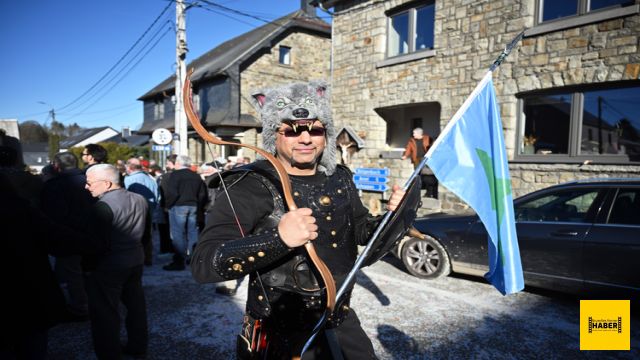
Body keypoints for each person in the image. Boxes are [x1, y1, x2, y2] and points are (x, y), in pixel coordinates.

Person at [191, 81, 406, 359]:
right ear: (274, 134)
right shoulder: (250, 184)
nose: (305, 139)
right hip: (277, 333)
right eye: (292, 130)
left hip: (338, 320)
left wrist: (394, 215)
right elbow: (203, 264)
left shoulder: (339, 177)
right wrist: (278, 239)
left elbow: (362, 230)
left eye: (315, 129)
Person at [84, 164, 149, 359]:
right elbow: (146, 235)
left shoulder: (102, 206)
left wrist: (87, 268)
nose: (86, 187)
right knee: (136, 306)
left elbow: (96, 243)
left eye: (89, 183)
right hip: (135, 260)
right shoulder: (140, 199)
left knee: (105, 312)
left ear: (106, 183)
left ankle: (109, 353)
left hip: (109, 265)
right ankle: (138, 346)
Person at [41, 152, 94, 322]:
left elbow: (53, 215)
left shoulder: (54, 185)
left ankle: (80, 308)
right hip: (94, 233)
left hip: (69, 236)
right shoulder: (91, 178)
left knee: (73, 274)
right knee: (91, 271)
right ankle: (94, 303)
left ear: (57, 166)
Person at [162, 155, 208, 271]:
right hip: (193, 206)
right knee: (192, 232)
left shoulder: (175, 175)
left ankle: (179, 260)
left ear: (178, 163)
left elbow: (172, 193)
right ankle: (193, 257)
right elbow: (202, 194)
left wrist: (167, 205)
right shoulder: (196, 176)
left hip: (178, 206)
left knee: (178, 234)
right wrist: (199, 205)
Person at [124, 157, 159, 266]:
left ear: (129, 167)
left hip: (134, 212)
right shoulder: (150, 179)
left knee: (135, 236)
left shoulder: (128, 179)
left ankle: (137, 259)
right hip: (150, 210)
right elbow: (158, 197)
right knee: (147, 236)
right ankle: (147, 258)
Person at [402, 127, 438, 198]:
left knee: (427, 175)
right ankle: (419, 188)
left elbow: (432, 146)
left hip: (425, 159)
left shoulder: (427, 139)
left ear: (419, 134)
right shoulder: (411, 141)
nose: (413, 134)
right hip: (417, 159)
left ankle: (428, 190)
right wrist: (405, 156)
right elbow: (408, 148)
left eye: (414, 133)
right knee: (417, 174)